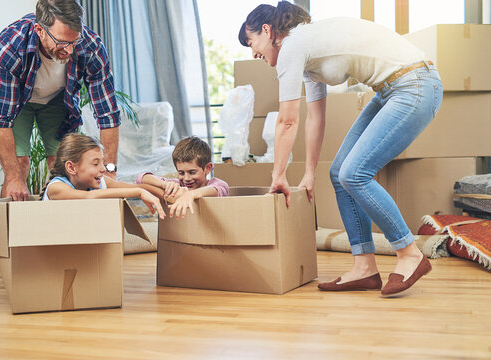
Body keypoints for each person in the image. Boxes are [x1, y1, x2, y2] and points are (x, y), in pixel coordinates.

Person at [239, 2, 443, 296]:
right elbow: (315, 118)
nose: (253, 52)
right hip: (391, 90)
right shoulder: (305, 57)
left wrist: (278, 174)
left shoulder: (294, 45)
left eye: (251, 42)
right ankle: (364, 267)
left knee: (355, 174)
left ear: (268, 31)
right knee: (339, 173)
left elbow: (287, 121)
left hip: (415, 85)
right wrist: (309, 173)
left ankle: (410, 253)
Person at [0, 0, 120, 202]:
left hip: (59, 100)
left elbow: (107, 114)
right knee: (20, 166)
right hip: (18, 102)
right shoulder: (10, 46)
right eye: (61, 42)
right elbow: (0, 119)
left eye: (73, 42)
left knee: (67, 168)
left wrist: (109, 170)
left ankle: (63, 232)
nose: (69, 50)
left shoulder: (90, 46)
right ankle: (8, 233)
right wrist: (13, 177)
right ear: (40, 30)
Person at [39, 134, 166, 219]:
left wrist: (172, 193)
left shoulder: (99, 182)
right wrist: (138, 192)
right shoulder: (56, 188)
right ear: (72, 168)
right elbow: (88, 197)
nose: (103, 169)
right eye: (95, 164)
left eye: (102, 162)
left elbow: (136, 186)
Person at [136, 136, 229, 219]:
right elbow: (141, 179)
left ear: (208, 168)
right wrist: (164, 184)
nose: (186, 178)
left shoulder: (217, 184)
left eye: (192, 172)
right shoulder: (177, 185)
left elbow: (215, 189)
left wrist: (190, 194)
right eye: (181, 173)